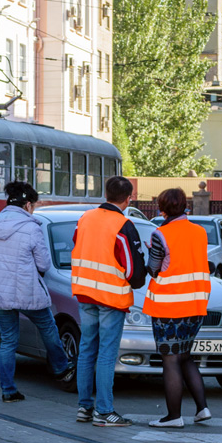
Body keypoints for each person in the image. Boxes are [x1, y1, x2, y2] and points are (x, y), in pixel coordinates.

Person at [0, 180, 74, 402]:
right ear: (27, 205)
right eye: (34, 205)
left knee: (8, 341)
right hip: (27, 291)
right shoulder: (31, 228)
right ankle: (61, 368)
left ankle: (8, 390)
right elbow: (44, 265)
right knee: (48, 327)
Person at [71, 175, 146, 427]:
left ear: (106, 194)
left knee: (87, 350)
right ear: (128, 198)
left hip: (84, 292)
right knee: (106, 354)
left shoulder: (85, 219)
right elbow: (133, 272)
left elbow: (77, 245)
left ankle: (84, 408)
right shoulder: (123, 224)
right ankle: (104, 412)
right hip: (111, 297)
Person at [142, 188, 211, 428]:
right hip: (196, 305)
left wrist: (148, 253)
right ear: (184, 206)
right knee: (185, 356)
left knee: (170, 360)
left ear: (162, 209)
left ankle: (173, 416)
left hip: (168, 306)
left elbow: (153, 269)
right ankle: (202, 408)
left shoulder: (160, 235)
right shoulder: (200, 232)